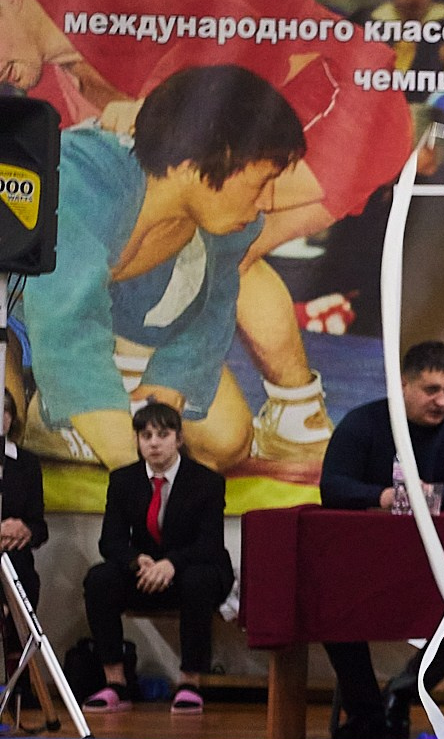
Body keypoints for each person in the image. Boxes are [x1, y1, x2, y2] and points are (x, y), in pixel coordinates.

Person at [0, 0, 411, 465]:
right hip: (274, 117)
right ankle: (292, 410)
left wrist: (160, 103)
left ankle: (286, 410)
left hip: (336, 85)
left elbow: (231, 19)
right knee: (204, 237)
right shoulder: (53, 87)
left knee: (219, 232)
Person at [18, 64, 307, 471]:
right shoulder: (80, 181)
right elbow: (67, 328)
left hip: (108, 327)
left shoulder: (229, 223)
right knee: (8, 417)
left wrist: (170, 383)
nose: (266, 202)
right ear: (197, 164)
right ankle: (35, 399)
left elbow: (210, 313)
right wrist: (132, 470)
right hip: (18, 318)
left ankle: (65, 404)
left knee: (226, 440)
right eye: (260, 182)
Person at [316, 340, 444, 739]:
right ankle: (368, 713)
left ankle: (403, 688)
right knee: (333, 610)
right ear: (403, 386)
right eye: (431, 390)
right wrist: (382, 496)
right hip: (369, 567)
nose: (442, 401)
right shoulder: (362, 423)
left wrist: (428, 496)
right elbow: (333, 487)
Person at [79, 402, 232, 714]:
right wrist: (138, 561)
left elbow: (209, 544)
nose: (154, 442)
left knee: (198, 580)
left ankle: (190, 682)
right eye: (146, 435)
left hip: (194, 568)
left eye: (163, 434)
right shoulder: (123, 481)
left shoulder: (207, 482)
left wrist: (171, 563)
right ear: (137, 440)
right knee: (99, 579)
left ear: (178, 438)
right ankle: (116, 683)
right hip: (145, 570)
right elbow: (111, 541)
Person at [0, 389, 49, 684]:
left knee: (22, 575)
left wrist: (26, 531)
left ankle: (19, 682)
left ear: (10, 418)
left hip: (14, 562)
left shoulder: (27, 464)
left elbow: (40, 528)